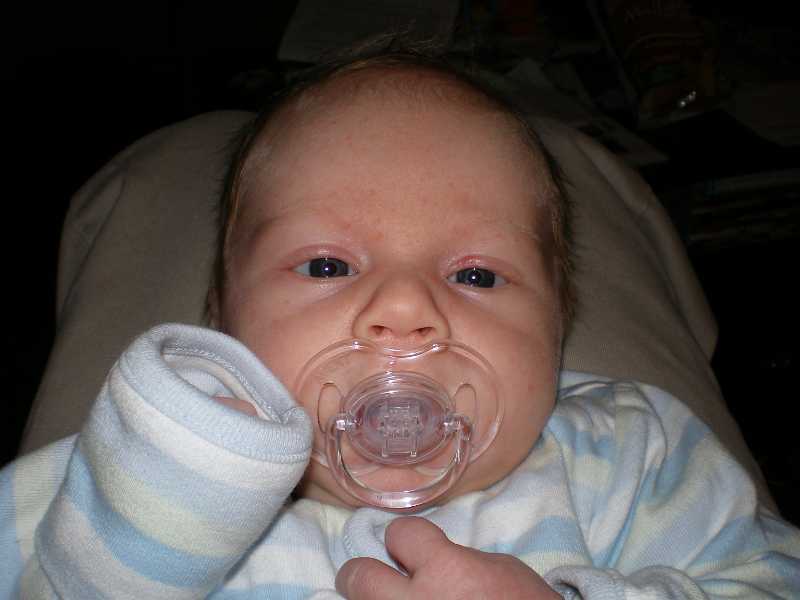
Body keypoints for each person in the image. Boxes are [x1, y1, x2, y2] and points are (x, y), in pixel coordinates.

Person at [2, 47, 799, 599]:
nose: (406, 310)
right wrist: (142, 522)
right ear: (222, 319)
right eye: (327, 266)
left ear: (558, 326)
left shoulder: (626, 453)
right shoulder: (151, 458)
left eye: (476, 276)